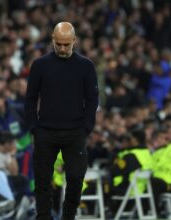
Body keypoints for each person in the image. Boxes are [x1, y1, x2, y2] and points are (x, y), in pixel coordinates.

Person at [24, 21, 99, 220]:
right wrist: (34, 127)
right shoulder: (40, 65)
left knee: (75, 178)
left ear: (74, 41)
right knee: (42, 181)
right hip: (45, 132)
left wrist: (86, 127)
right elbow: (30, 98)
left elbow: (92, 99)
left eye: (67, 44)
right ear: (52, 41)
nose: (63, 48)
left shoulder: (85, 66)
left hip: (75, 132)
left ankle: (68, 217)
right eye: (59, 44)